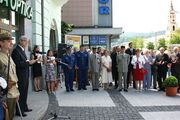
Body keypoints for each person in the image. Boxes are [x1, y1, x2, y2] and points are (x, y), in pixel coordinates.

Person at [0, 32, 20, 119]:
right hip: (5, 94)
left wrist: (17, 91)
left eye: (11, 41)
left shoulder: (9, 56)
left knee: (11, 116)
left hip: (13, 92)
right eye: (8, 41)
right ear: (1, 43)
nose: (11, 43)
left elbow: (13, 74)